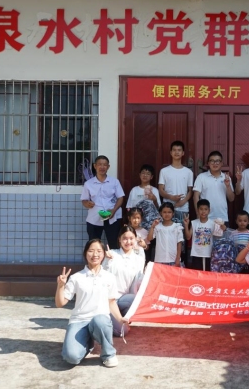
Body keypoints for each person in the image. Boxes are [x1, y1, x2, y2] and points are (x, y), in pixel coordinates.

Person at [56, 239, 127, 368]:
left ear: (103, 254)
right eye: (91, 251)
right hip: (79, 321)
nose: (95, 254)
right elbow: (60, 303)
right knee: (71, 357)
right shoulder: (76, 277)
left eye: (99, 251)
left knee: (101, 320)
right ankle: (88, 343)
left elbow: (111, 302)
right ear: (85, 253)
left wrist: (120, 319)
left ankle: (108, 354)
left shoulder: (109, 277)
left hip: (100, 320)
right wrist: (60, 286)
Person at [103, 226, 145, 337]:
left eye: (131, 238)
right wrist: (106, 260)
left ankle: (119, 318)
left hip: (124, 299)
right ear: (119, 239)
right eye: (125, 238)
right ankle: (102, 322)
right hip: (109, 301)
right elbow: (102, 274)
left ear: (135, 239)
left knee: (138, 300)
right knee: (123, 332)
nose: (128, 242)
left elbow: (137, 282)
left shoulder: (138, 259)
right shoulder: (112, 254)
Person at [80, 155, 125, 247]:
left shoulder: (114, 182)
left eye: (105, 165)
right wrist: (87, 203)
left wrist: (113, 210)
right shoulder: (88, 184)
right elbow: (84, 200)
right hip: (94, 218)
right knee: (94, 244)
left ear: (108, 167)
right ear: (95, 166)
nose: (102, 167)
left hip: (112, 217)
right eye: (100, 164)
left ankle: (113, 257)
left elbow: (120, 198)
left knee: (114, 244)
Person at [193, 151, 235, 224]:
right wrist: (198, 213)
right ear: (208, 163)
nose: (215, 163)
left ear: (222, 163)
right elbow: (196, 196)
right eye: (212, 161)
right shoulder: (201, 177)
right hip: (205, 217)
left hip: (222, 217)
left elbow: (231, 199)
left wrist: (228, 186)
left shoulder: (226, 178)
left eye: (217, 161)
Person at [183, 199, 225, 271]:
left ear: (209, 210)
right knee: (197, 274)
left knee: (207, 274)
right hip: (196, 254)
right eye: (201, 209)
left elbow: (219, 235)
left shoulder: (213, 223)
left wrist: (223, 227)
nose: (203, 211)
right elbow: (188, 237)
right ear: (197, 210)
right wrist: (186, 225)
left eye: (205, 209)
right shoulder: (194, 223)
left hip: (208, 254)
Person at [158, 141, 194, 222]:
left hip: (183, 208)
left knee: (182, 229)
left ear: (183, 153)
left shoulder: (188, 172)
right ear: (171, 153)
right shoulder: (164, 171)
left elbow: (190, 191)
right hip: (167, 209)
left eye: (179, 150)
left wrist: (183, 202)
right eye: (174, 150)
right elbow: (161, 190)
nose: (176, 152)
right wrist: (171, 197)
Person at [147, 202, 184, 267]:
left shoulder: (177, 227)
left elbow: (179, 243)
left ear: (173, 213)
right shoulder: (157, 227)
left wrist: (178, 258)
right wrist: (152, 227)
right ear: (161, 213)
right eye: (164, 212)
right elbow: (149, 238)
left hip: (173, 259)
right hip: (160, 260)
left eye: (169, 212)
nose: (167, 214)